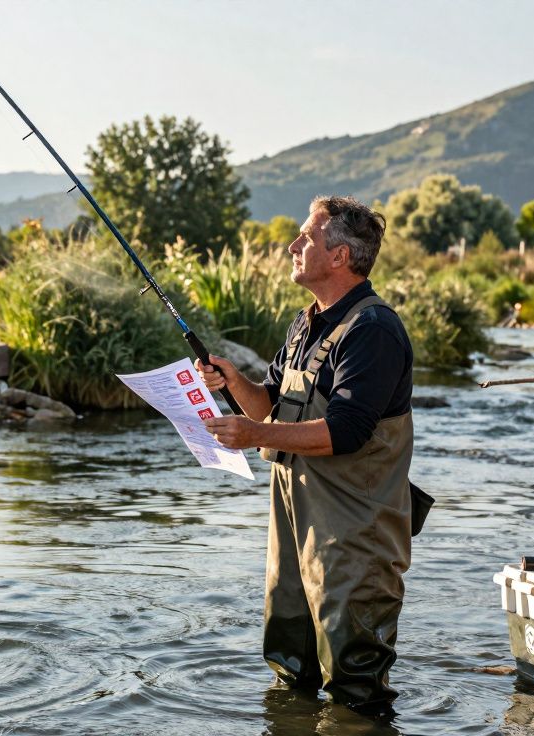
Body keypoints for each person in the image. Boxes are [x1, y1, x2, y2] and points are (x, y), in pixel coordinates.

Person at [198, 195, 414, 712]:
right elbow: (269, 400)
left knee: (355, 685)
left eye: (306, 238)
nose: (293, 246)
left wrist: (254, 435)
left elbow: (346, 431)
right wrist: (235, 384)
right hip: (295, 529)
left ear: (339, 257)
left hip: (354, 533)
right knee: (289, 666)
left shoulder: (373, 331)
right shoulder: (306, 323)